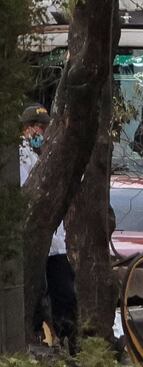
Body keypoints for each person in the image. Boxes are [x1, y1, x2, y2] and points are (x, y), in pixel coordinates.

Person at [20, 103, 78, 353]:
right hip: (35, 241)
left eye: (44, 128)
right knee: (38, 296)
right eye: (36, 128)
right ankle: (41, 338)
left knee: (64, 294)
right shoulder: (20, 158)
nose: (40, 132)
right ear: (26, 129)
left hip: (55, 244)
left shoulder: (46, 157)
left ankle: (67, 340)